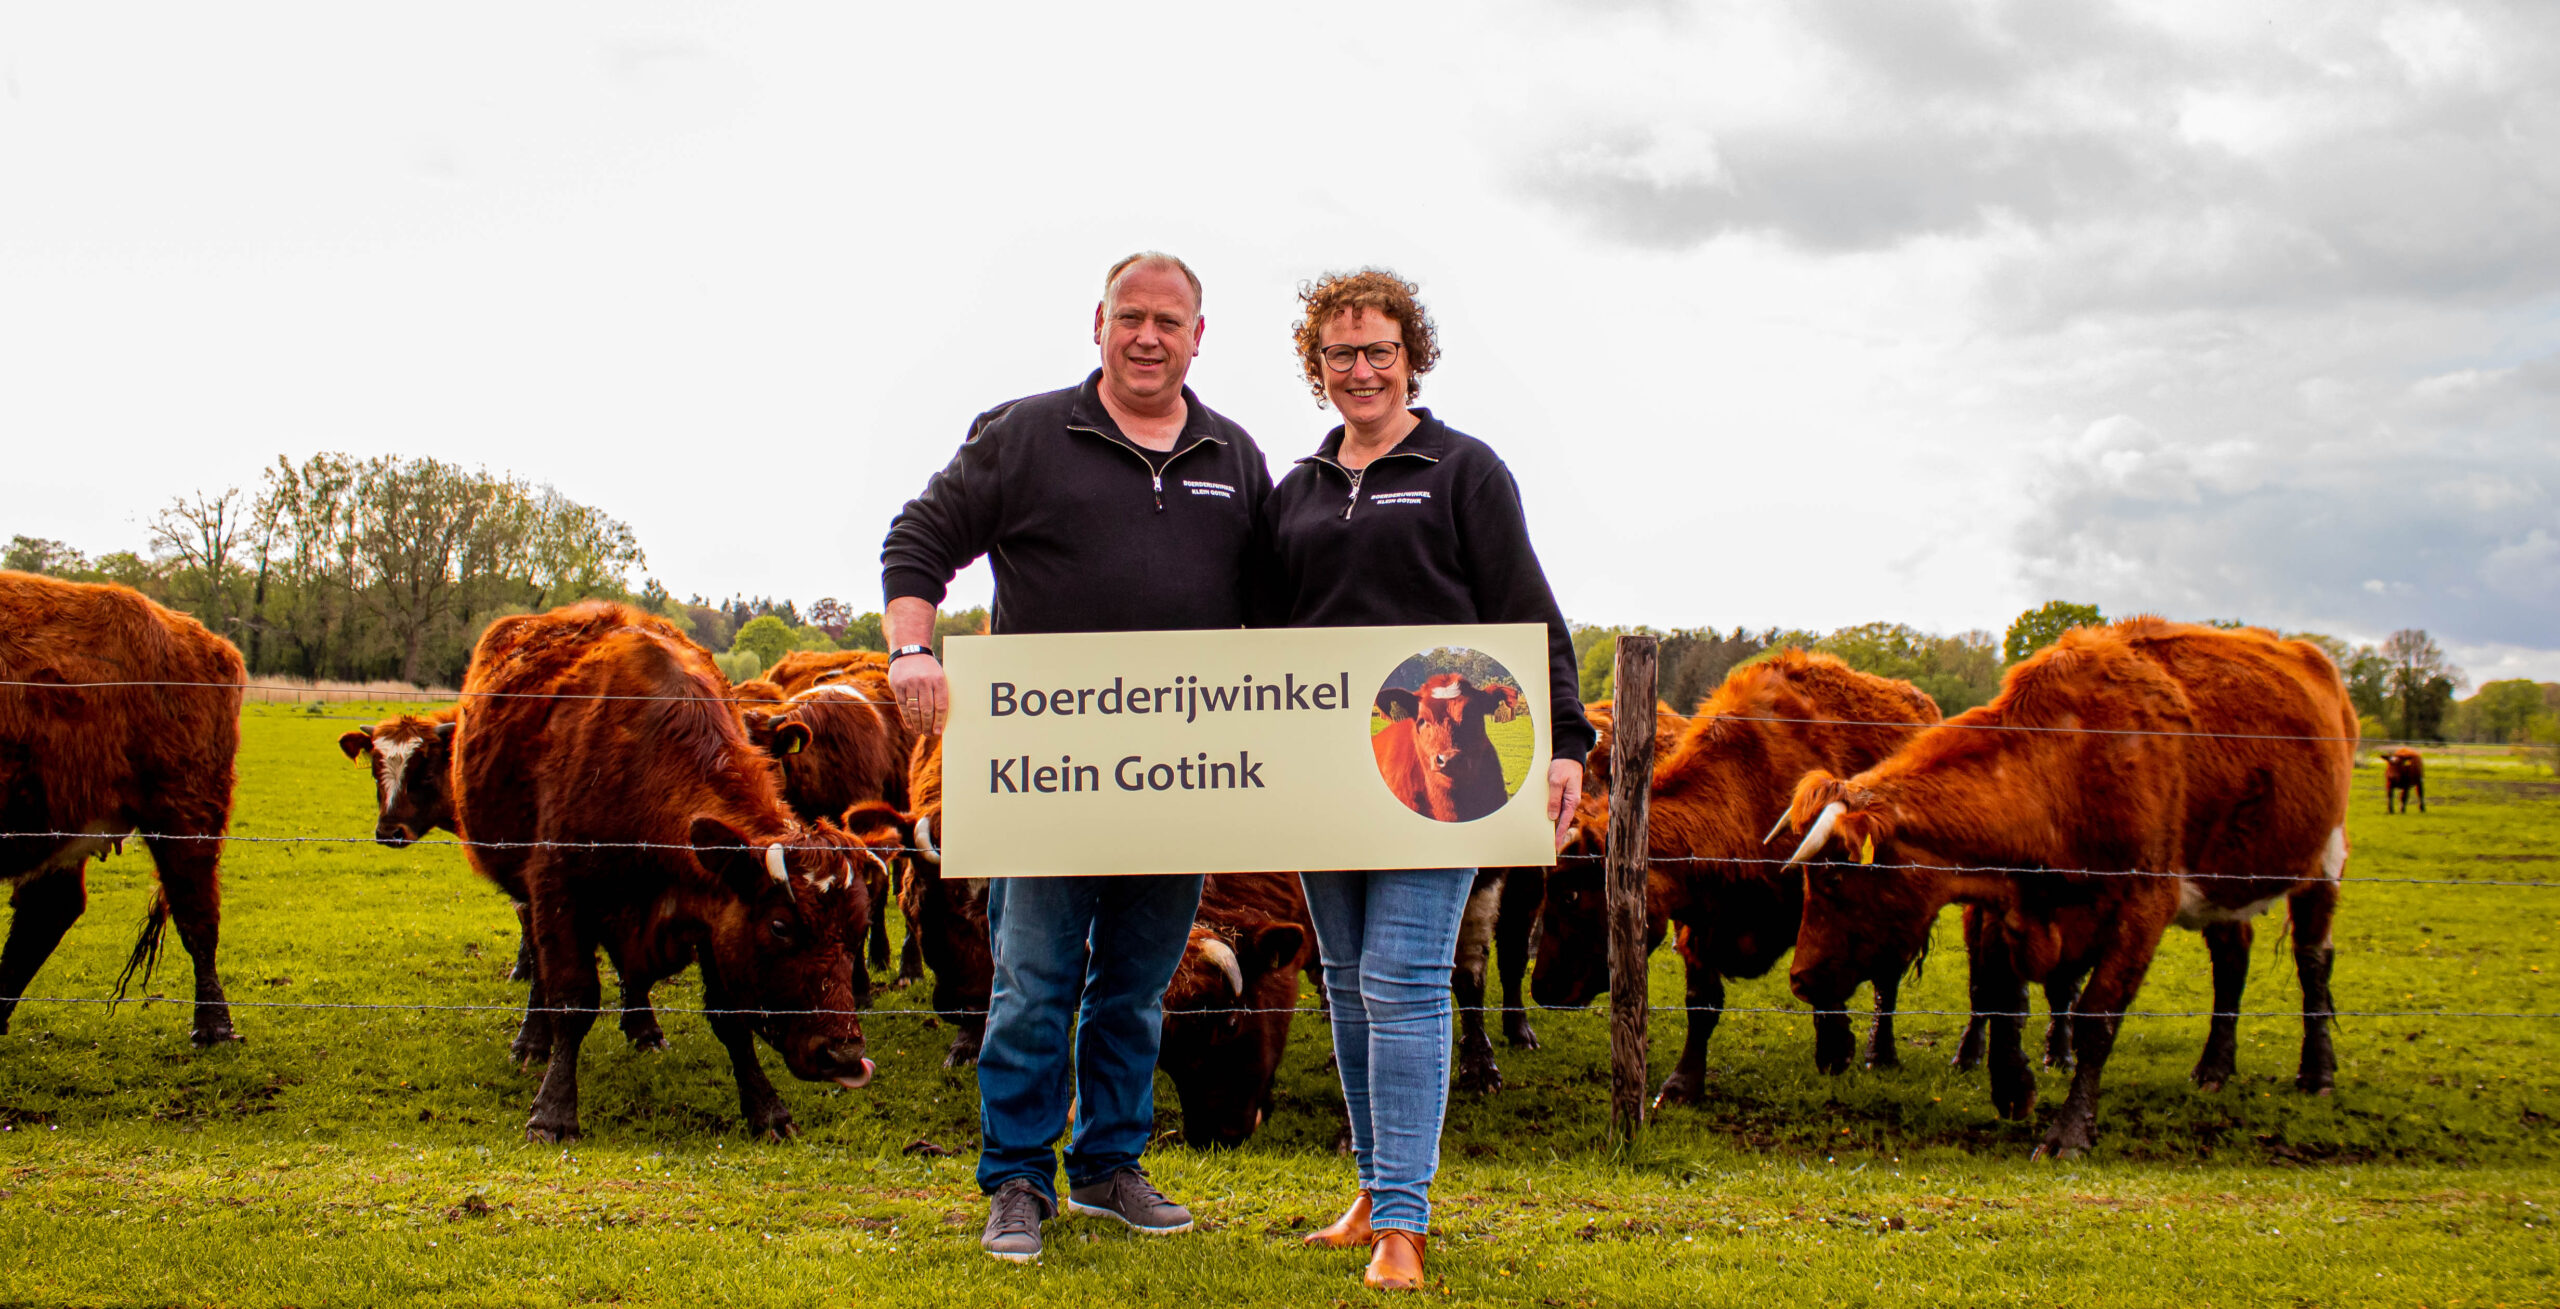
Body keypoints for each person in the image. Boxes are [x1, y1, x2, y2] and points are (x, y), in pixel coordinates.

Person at [879, 252, 1274, 1262]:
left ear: (1198, 335)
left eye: (1169, 321)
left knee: (1138, 986)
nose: (1149, 336)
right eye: (1131, 317)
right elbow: (919, 538)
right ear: (1097, 323)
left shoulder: (1234, 455)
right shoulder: (1025, 435)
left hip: (1176, 773)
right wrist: (913, 648)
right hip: (1043, 765)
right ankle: (1016, 1176)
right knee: (1032, 981)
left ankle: (1108, 1164)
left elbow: (1279, 604)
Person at [1255, 268, 1593, 1291]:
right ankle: (1369, 1192)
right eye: (1339, 353)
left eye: (1379, 351)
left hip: (1441, 770)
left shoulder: (1463, 470)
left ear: (1413, 357)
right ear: (1315, 367)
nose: (1360, 369)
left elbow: (1524, 606)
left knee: (1403, 980)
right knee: (1348, 991)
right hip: (1326, 770)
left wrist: (1567, 738)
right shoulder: (1297, 490)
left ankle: (1404, 1218)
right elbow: (1261, 636)